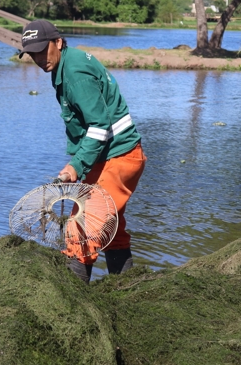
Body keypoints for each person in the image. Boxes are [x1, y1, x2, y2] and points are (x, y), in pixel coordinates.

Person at [18, 20, 146, 284]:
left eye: (42, 50)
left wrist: (76, 165)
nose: (38, 59)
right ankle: (127, 289)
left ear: (58, 42)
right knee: (111, 231)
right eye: (32, 54)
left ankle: (73, 301)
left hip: (119, 157)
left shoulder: (75, 72)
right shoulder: (65, 65)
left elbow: (99, 126)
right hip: (108, 157)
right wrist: (78, 163)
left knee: (81, 230)